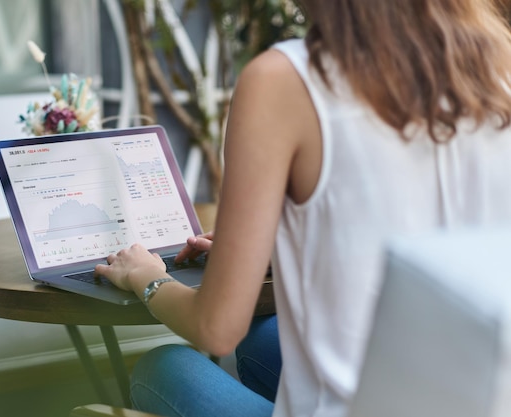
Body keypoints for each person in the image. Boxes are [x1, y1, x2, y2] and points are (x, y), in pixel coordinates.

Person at [94, 0, 511, 416]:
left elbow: (215, 330)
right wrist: (293, 245)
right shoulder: (496, 61)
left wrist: (146, 278)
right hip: (477, 396)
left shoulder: (283, 80)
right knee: (261, 335)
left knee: (163, 367)